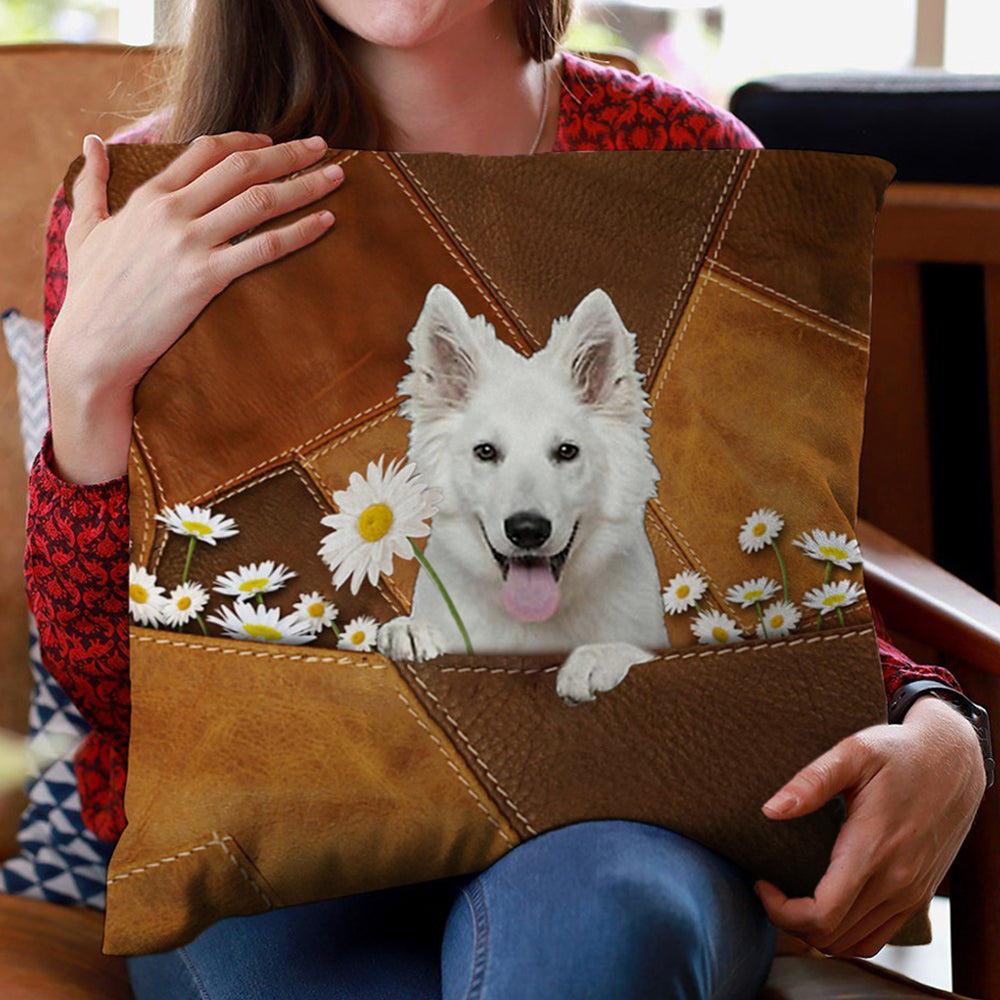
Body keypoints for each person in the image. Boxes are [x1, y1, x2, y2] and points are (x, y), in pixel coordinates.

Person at [24, 1, 987, 997]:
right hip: (275, 816)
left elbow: (751, 559)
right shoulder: (154, 205)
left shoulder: (691, 167)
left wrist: (935, 713)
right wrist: (89, 381)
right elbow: (105, 680)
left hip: (618, 816)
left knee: (599, 924)